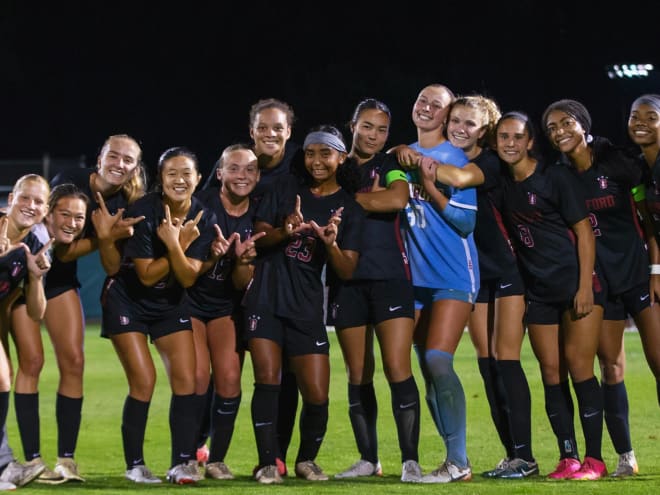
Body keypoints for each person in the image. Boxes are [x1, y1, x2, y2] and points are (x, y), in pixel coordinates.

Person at [8, 134, 146, 484]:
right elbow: (62, 246)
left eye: (128, 159)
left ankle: (66, 460)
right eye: (113, 155)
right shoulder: (70, 179)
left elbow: (105, 263)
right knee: (31, 361)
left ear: (135, 167)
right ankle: (32, 460)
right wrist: (102, 235)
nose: (119, 163)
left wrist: (107, 237)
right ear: (100, 156)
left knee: (74, 361)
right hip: (22, 277)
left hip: (58, 280)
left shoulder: (130, 201)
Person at [543, 98, 660, 477]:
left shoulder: (617, 162)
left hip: (639, 274)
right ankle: (625, 454)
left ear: (583, 125)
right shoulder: (559, 176)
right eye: (553, 127)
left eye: (567, 124)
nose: (560, 131)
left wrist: (656, 268)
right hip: (601, 284)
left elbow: (649, 218)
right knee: (610, 366)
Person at [244, 125, 363, 484]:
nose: (316, 161)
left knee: (317, 392)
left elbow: (347, 268)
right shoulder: (285, 189)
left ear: (342, 158)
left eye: (325, 153)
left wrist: (329, 244)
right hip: (265, 297)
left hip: (307, 306)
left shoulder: (349, 206)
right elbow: (258, 239)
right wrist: (285, 231)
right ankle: (268, 463)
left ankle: (305, 460)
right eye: (310, 153)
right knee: (267, 380)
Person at [496, 110, 606, 480]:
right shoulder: (503, 185)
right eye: (503, 137)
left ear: (530, 142)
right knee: (551, 372)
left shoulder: (554, 177)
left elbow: (585, 232)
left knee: (579, 368)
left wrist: (584, 286)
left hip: (578, 288)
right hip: (540, 293)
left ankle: (595, 459)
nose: (510, 144)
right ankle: (568, 457)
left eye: (517, 137)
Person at [98, 146, 215, 484]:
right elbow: (147, 274)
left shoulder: (205, 216)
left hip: (169, 303)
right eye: (171, 174)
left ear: (197, 178)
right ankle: (135, 465)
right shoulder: (145, 211)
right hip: (127, 300)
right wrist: (176, 246)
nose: (179, 180)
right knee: (144, 381)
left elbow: (189, 276)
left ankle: (182, 463)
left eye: (186, 174)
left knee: (189, 380)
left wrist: (175, 245)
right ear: (161, 180)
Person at [201, 99, 303, 475]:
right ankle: (200, 447)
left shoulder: (297, 169)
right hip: (228, 290)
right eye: (263, 127)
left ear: (289, 132)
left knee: (283, 376)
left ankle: (276, 455)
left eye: (278, 127)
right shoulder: (232, 169)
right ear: (252, 130)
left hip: (281, 289)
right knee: (221, 377)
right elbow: (199, 210)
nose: (271, 134)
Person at [443, 95, 538, 479]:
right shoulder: (450, 159)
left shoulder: (487, 163)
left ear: (485, 130)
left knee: (506, 360)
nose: (460, 129)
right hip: (474, 275)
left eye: (470, 124)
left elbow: (462, 181)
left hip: (507, 271)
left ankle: (526, 457)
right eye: (456, 121)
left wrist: (414, 157)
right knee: (487, 365)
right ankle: (510, 454)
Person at [328, 98, 421, 482]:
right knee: (358, 372)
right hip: (347, 282)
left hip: (389, 278)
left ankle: (411, 461)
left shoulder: (392, 165)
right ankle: (369, 459)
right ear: (352, 125)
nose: (375, 135)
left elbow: (396, 199)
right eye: (367, 126)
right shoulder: (334, 167)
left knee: (397, 367)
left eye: (382, 129)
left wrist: (346, 203)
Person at [392, 84, 478, 484]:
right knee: (426, 370)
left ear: (447, 117)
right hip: (415, 281)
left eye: (436, 104)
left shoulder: (453, 159)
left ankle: (458, 460)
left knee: (437, 360)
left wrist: (427, 183)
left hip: (453, 276)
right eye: (422, 100)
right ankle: (450, 458)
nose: (426, 107)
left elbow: (465, 223)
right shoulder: (402, 154)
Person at [188, 144, 265, 480]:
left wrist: (244, 262)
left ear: (258, 176)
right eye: (233, 168)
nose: (241, 175)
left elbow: (238, 283)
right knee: (198, 380)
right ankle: (188, 455)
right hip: (188, 301)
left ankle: (216, 459)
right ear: (219, 172)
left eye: (249, 169)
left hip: (226, 306)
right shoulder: (198, 208)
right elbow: (183, 271)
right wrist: (213, 258)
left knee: (230, 380)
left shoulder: (260, 215)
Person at [0, 176, 54, 490]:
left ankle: (5, 465)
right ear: (11, 201)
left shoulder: (34, 245)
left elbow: (36, 313)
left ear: (45, 210)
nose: (30, 206)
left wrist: (34, 278)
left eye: (38, 201)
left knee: (2, 376)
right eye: (24, 198)